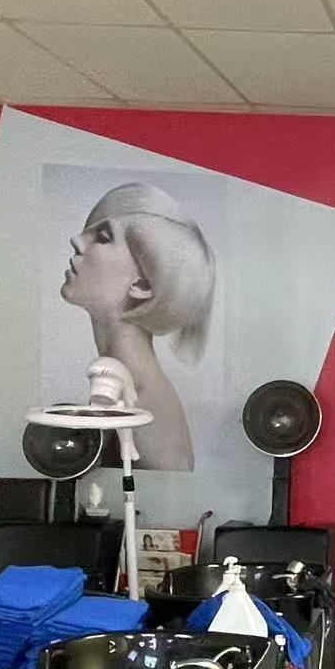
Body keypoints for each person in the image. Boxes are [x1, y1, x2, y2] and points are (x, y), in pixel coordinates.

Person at [60, 183, 214, 471]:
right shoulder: (126, 392)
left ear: (142, 284)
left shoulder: (145, 409)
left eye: (103, 237)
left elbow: (165, 500)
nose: (77, 241)